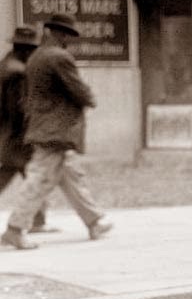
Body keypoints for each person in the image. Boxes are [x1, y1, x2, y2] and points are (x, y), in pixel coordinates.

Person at [1, 14, 112, 250]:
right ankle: (15, 229)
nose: (66, 39)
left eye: (68, 35)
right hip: (55, 130)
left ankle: (94, 221)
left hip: (44, 127)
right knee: (40, 177)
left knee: (70, 176)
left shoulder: (37, 56)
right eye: (64, 34)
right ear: (53, 32)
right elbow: (77, 89)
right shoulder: (58, 57)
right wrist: (90, 99)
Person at [0, 25, 50, 231]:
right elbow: (18, 108)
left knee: (13, 173)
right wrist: (29, 131)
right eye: (33, 49)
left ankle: (39, 220)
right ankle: (37, 221)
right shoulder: (18, 73)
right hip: (17, 135)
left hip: (7, 133)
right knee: (35, 176)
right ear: (25, 49)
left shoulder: (6, 65)